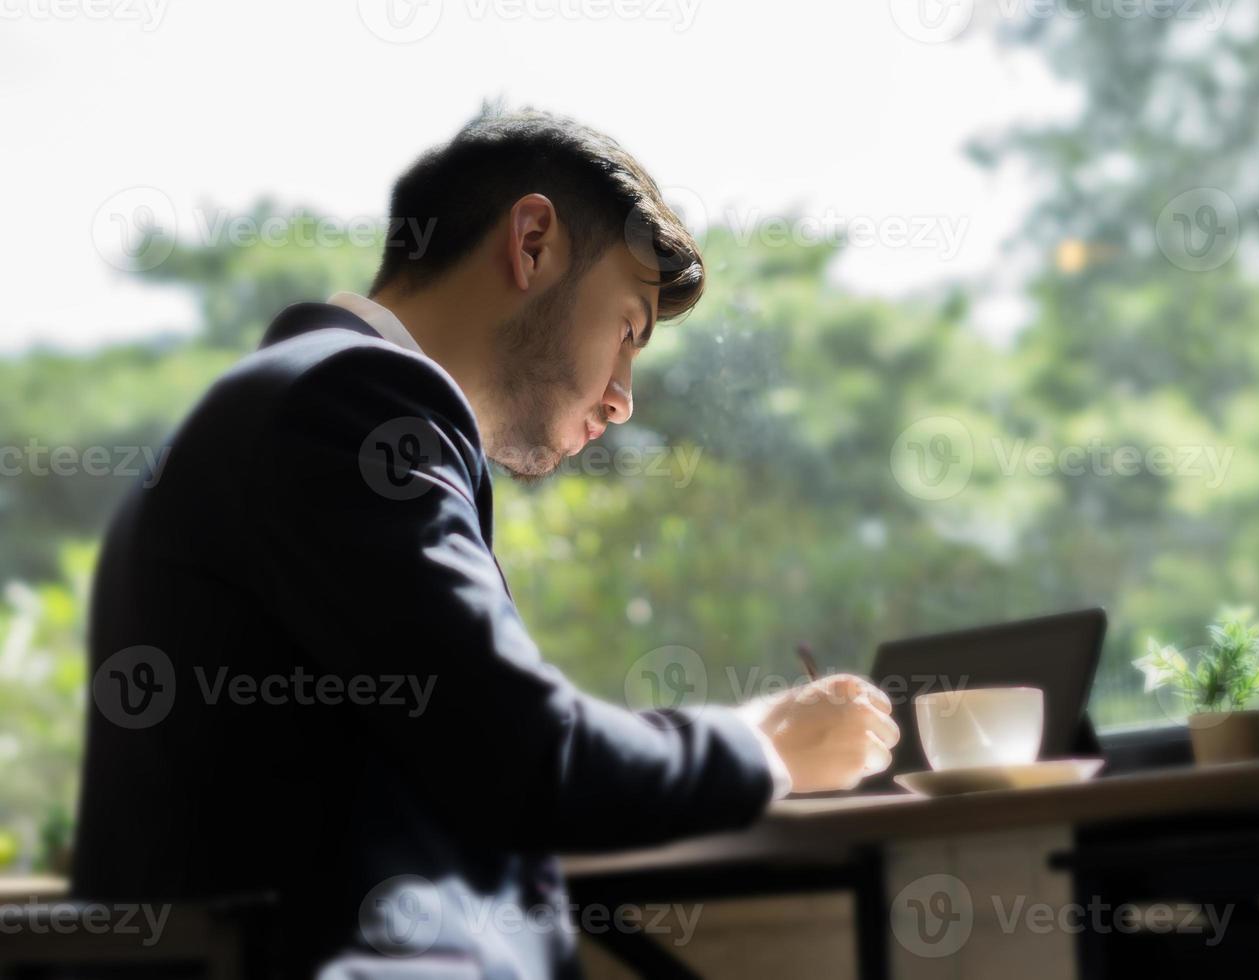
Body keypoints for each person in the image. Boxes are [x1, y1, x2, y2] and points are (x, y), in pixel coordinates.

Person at [72, 103, 900, 978]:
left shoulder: (304, 401)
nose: (624, 398)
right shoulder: (353, 404)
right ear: (532, 242)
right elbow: (529, 759)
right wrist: (768, 748)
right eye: (627, 331)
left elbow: (476, 751)